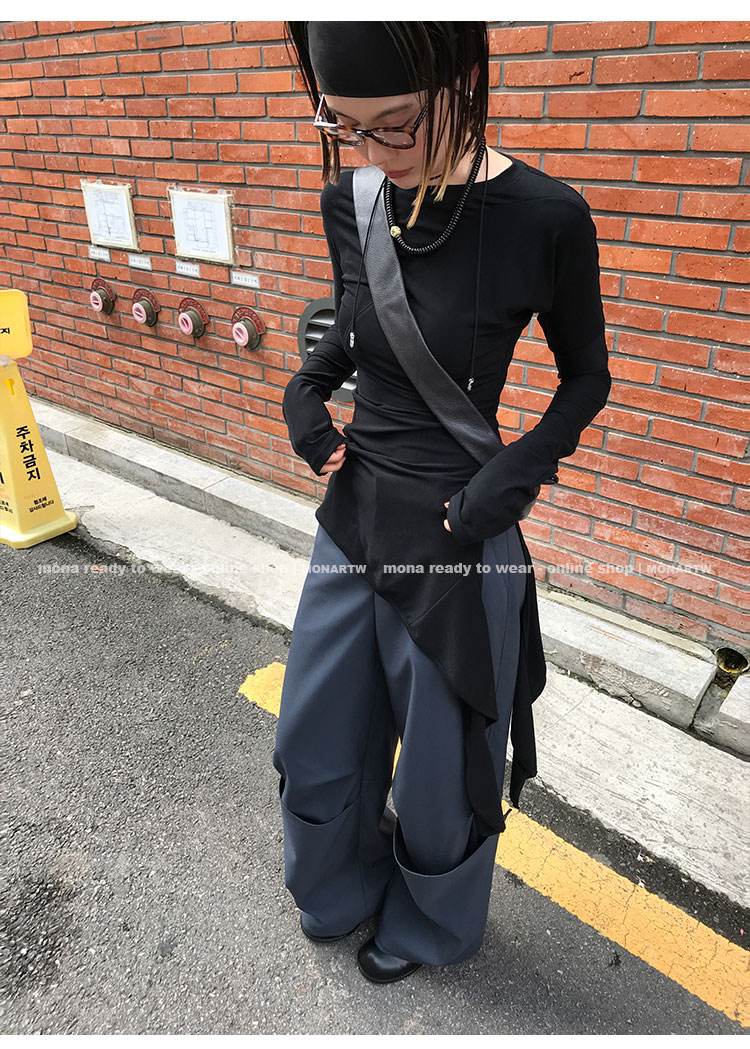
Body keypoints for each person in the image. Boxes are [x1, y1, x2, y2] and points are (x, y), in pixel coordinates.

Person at [273, 22, 611, 985]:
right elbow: (352, 330)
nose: (374, 151)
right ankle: (336, 884)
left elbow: (587, 377)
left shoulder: (547, 216)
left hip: (459, 531)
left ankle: (427, 926)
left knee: (438, 766)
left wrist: (518, 472)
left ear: (462, 79)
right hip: (355, 515)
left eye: (397, 123)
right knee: (315, 730)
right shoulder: (352, 199)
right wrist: (306, 389)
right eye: (346, 127)